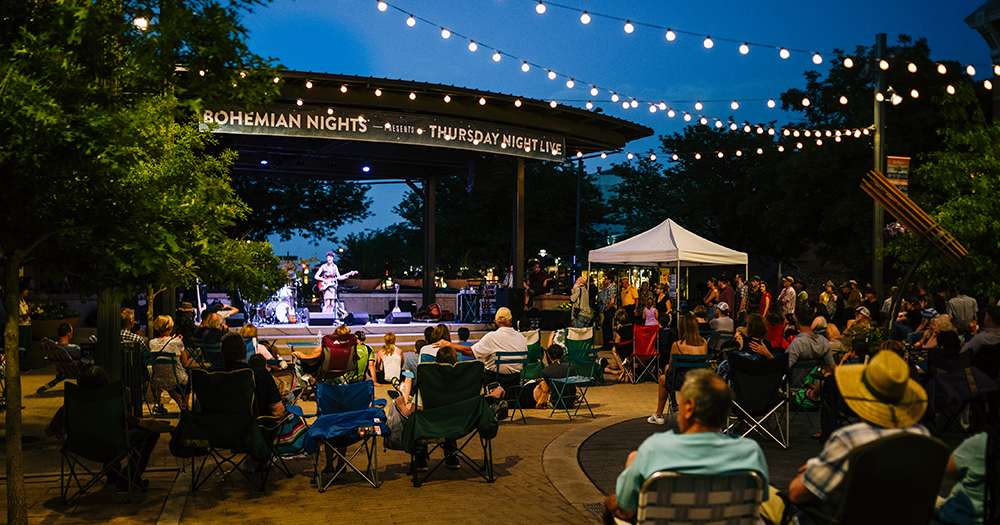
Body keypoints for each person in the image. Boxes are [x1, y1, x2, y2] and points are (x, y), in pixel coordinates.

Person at [758, 350, 930, 523]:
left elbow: (797, 494)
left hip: (827, 518)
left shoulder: (851, 439)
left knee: (762, 496)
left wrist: (813, 467)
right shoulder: (922, 436)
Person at [604, 369, 769, 524]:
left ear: (689, 408)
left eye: (680, 402)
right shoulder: (750, 453)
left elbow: (625, 511)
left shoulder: (654, 449)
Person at [46, 366, 173, 492]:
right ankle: (129, 478)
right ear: (106, 384)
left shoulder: (70, 407)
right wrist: (170, 428)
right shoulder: (113, 407)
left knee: (111, 434)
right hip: (112, 446)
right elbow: (146, 425)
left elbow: (49, 431)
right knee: (146, 434)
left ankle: (114, 475)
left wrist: (59, 427)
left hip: (80, 447)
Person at [433, 307, 525, 393]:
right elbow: (524, 363)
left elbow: (471, 352)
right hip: (515, 381)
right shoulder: (522, 338)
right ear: (511, 321)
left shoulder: (492, 337)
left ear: (496, 321)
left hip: (494, 380)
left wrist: (449, 344)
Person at [648, 315, 708, 425]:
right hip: (699, 381)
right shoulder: (703, 343)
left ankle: (659, 414)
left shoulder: (677, 345)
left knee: (663, 378)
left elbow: (671, 368)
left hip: (682, 382)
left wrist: (667, 368)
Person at [148, 315, 191, 414]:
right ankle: (185, 405)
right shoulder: (177, 342)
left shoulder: (152, 343)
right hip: (176, 378)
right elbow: (184, 362)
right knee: (186, 373)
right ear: (171, 327)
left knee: (168, 376)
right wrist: (178, 342)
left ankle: (181, 405)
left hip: (157, 380)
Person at [785, 306, 835, 387]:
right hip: (812, 386)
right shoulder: (824, 342)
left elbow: (784, 367)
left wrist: (767, 354)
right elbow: (831, 368)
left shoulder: (797, 343)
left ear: (797, 320)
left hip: (794, 387)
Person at [598, 276, 618, 351]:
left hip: (609, 309)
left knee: (606, 327)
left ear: (609, 280)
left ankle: (608, 344)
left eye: (606, 279)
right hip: (607, 308)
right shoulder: (607, 289)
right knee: (607, 327)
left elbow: (612, 300)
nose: (604, 280)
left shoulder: (611, 288)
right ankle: (607, 344)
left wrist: (607, 308)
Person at [18, 282, 32, 371]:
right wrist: (30, 309)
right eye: (26, 290)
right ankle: (22, 366)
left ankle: (25, 365)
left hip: (27, 325)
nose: (27, 291)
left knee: (26, 346)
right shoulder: (18, 301)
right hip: (22, 326)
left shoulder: (23, 300)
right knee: (22, 346)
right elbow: (24, 315)